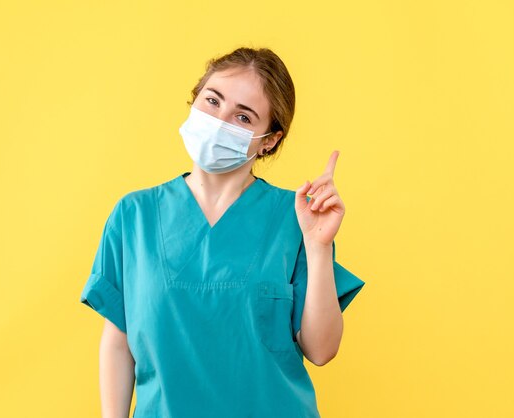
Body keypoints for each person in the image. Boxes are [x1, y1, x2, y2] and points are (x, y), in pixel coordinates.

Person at [79, 46, 366, 418]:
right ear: (195, 98)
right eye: (212, 101)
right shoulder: (134, 216)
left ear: (270, 140)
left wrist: (317, 245)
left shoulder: (296, 218)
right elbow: (119, 343)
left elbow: (322, 350)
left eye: (243, 117)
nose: (219, 120)